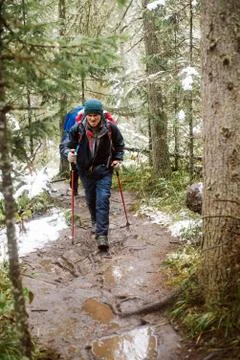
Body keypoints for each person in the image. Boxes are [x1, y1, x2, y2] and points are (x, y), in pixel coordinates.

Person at [60, 99, 125, 252]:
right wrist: (67, 155)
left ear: (101, 115)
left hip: (104, 170)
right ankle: (95, 221)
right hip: (85, 171)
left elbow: (120, 144)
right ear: (86, 115)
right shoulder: (78, 129)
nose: (93, 118)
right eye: (90, 115)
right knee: (91, 199)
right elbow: (65, 146)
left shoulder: (111, 129)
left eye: (96, 115)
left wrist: (118, 159)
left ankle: (102, 235)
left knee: (103, 200)